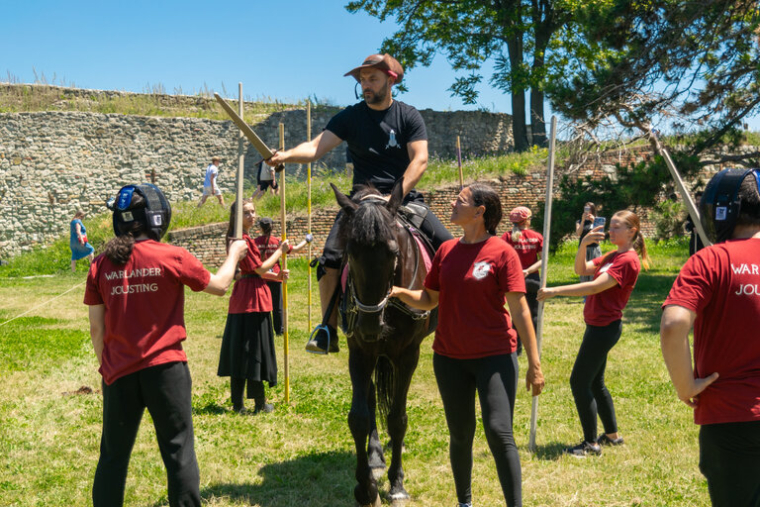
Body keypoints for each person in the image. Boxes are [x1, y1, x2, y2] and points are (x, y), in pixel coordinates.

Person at [265, 53, 453, 354]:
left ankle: (452, 318)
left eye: (372, 78)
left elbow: (420, 159)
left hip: (401, 199)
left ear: (390, 80)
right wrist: (285, 155)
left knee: (449, 248)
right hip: (360, 204)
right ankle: (327, 328)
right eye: (362, 80)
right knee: (328, 260)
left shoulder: (408, 116)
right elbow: (315, 147)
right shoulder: (349, 117)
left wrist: (396, 196)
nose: (366, 84)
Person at [84, 183, 247, 507]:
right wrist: (234, 253)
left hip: (118, 374)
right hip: (166, 371)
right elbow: (220, 285)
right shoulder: (173, 256)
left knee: (112, 458)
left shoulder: (100, 264)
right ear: (156, 217)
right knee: (179, 455)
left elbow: (96, 328)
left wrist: (106, 370)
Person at [391, 183, 544, 507]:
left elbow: (520, 309)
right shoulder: (446, 251)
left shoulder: (502, 253)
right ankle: (464, 502)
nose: (451, 204)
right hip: (449, 359)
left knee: (499, 432)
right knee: (460, 435)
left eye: (460, 201)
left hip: (495, 357)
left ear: (480, 211)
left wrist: (534, 364)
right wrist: (399, 292)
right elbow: (430, 298)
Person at [660, 168, 760, 507]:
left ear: (720, 210)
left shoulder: (710, 260)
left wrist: (685, 385)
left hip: (731, 417)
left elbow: (674, 323)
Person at [538, 210, 650, 456]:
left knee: (579, 382)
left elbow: (595, 286)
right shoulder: (614, 255)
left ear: (632, 231)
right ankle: (612, 436)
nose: (610, 231)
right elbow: (583, 268)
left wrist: (555, 292)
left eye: (617, 227)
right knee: (595, 383)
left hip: (604, 328)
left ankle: (591, 444)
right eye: (610, 226)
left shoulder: (628, 260)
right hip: (599, 326)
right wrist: (584, 243)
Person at [218, 200, 290, 414]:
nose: (252, 215)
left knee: (240, 351)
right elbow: (258, 270)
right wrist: (280, 251)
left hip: (243, 297)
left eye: (253, 211)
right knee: (255, 352)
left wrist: (275, 276)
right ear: (237, 216)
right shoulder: (242, 241)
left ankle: (239, 403)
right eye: (246, 212)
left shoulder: (237, 239)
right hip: (253, 300)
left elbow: (250, 271)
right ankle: (259, 403)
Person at [253, 217, 311, 335]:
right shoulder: (278, 242)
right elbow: (296, 249)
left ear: (260, 228)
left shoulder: (255, 242)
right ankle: (279, 330)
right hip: (276, 276)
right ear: (272, 227)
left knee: (261, 305)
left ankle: (263, 330)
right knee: (277, 306)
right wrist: (307, 240)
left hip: (261, 277)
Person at [501, 206, 543, 356]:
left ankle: (516, 349)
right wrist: (528, 270)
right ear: (526, 220)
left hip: (514, 282)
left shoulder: (506, 237)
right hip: (533, 280)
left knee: (516, 317)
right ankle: (535, 349)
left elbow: (502, 259)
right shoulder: (536, 237)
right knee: (535, 316)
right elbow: (544, 260)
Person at [575, 202, 602, 282]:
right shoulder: (579, 221)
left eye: (589, 209)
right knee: (583, 272)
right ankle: (585, 293)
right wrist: (583, 221)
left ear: (592, 210)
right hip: (583, 249)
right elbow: (578, 233)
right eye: (586, 209)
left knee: (595, 272)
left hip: (594, 249)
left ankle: (595, 292)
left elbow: (600, 234)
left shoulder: (597, 220)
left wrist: (594, 221)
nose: (587, 211)